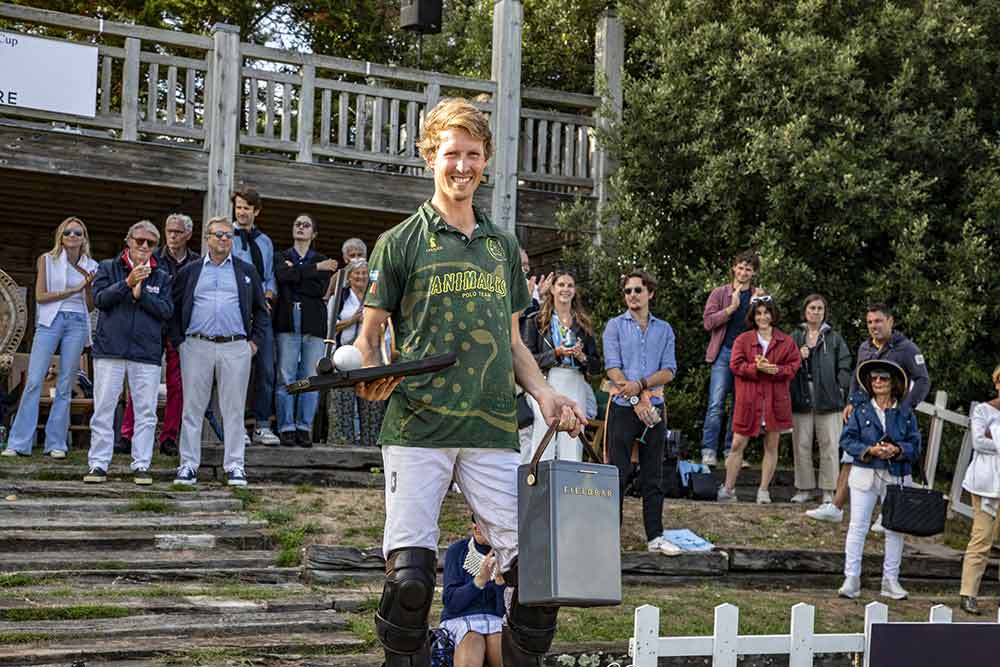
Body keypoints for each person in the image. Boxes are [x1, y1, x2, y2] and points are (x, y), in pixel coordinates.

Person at [353, 98, 586, 666]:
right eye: (451, 153)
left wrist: (545, 393)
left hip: (491, 426)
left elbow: (512, 343)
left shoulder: (501, 246)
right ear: (430, 156)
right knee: (410, 583)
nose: (463, 166)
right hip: (418, 425)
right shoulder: (399, 242)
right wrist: (362, 370)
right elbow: (368, 339)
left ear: (486, 160)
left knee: (540, 575)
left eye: (474, 155)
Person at [806, 303, 931, 523]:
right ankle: (836, 507)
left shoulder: (907, 349)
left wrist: (905, 408)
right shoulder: (865, 347)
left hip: (892, 416)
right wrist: (851, 402)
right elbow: (857, 376)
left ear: (890, 321)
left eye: (879, 321)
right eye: (870, 322)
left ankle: (888, 517)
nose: (874, 326)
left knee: (892, 461)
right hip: (865, 414)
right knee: (851, 457)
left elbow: (923, 380)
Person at [169, 217, 270, 487]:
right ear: (207, 238)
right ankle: (188, 465)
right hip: (196, 345)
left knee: (234, 409)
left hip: (236, 346)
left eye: (228, 235)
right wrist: (179, 342)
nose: (224, 239)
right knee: (192, 408)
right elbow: (173, 308)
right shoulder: (190, 271)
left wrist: (253, 343)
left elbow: (261, 311)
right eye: (218, 235)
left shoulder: (246, 271)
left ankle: (235, 466)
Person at [84, 221, 174, 484]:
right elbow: (100, 300)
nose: (144, 246)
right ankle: (98, 464)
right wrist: (127, 283)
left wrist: (141, 295)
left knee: (146, 412)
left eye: (151, 243)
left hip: (146, 352)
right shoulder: (108, 267)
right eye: (139, 240)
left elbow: (167, 311)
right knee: (104, 408)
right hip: (110, 350)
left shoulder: (162, 276)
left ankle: (142, 464)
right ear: (128, 241)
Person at [2, 217, 98, 458]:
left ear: (84, 238)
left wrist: (87, 287)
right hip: (50, 321)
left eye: (77, 233)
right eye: (67, 232)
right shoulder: (47, 259)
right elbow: (40, 296)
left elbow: (89, 306)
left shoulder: (91, 265)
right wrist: (72, 290)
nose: (72, 236)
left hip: (77, 322)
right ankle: (18, 442)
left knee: (65, 384)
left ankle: (56, 443)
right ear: (61, 237)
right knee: (34, 380)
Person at [603, 270, 680, 556]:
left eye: (638, 290)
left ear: (650, 293)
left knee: (653, 476)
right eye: (628, 291)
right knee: (617, 474)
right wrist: (635, 397)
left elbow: (669, 370)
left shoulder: (665, 329)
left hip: (654, 408)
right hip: (624, 408)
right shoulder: (614, 326)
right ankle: (611, 538)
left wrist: (643, 386)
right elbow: (612, 368)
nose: (632, 295)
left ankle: (655, 536)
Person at [837, 359, 921, 601]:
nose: (878, 382)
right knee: (858, 526)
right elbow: (847, 440)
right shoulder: (861, 410)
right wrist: (869, 450)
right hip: (865, 473)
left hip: (896, 475)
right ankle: (851, 578)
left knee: (895, 529)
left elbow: (915, 444)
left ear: (893, 383)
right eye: (874, 378)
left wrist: (897, 450)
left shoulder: (905, 412)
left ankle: (890, 580)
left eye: (883, 378)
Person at [117, 213, 200, 457]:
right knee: (142, 383)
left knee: (177, 385)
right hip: (153, 325)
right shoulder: (154, 258)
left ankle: (169, 437)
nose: (172, 236)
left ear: (188, 234)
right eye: (169, 231)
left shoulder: (197, 263)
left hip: (181, 328)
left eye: (177, 232)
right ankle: (127, 434)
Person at [717, 296, 800, 504]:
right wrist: (756, 368)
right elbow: (735, 365)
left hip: (775, 400)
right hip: (748, 400)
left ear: (773, 315)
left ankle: (763, 491)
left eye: (766, 313)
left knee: (771, 445)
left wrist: (776, 370)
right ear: (753, 317)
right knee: (737, 444)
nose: (763, 317)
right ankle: (728, 489)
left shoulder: (786, 341)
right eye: (758, 313)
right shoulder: (743, 340)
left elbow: (793, 367)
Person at [521, 270, 601, 463]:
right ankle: (538, 477)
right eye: (561, 285)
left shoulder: (583, 324)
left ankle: (569, 478)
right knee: (543, 433)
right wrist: (556, 353)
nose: (566, 289)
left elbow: (597, 366)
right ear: (552, 289)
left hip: (575, 381)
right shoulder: (536, 320)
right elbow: (528, 359)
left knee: (574, 434)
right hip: (546, 380)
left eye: (570, 285)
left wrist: (581, 357)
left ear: (575, 291)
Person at [273, 214, 338, 447]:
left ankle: (304, 427)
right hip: (287, 322)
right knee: (285, 376)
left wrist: (298, 274)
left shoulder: (322, 259)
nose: (300, 227)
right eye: (297, 224)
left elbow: (318, 289)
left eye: (306, 225)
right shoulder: (281, 257)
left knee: (310, 378)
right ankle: (286, 427)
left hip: (313, 324)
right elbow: (282, 276)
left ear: (314, 233)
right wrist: (315, 269)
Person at [699, 251, 766, 467]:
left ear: (753, 273)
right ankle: (708, 451)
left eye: (748, 269)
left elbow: (766, 327)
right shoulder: (720, 293)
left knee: (740, 405)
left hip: (747, 358)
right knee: (716, 404)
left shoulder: (759, 295)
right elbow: (708, 323)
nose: (743, 272)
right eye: (741, 267)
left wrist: (759, 306)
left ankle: (732, 451)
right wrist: (731, 308)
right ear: (734, 268)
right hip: (724, 353)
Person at [789, 294, 852, 504]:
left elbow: (845, 365)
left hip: (829, 398)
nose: (816, 312)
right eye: (812, 308)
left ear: (825, 312)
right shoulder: (795, 336)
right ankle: (804, 489)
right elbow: (784, 362)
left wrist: (839, 389)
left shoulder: (834, 338)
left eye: (820, 308)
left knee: (830, 445)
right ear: (805, 311)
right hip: (801, 394)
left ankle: (828, 490)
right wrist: (797, 356)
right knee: (801, 444)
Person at [230, 187, 280, 447]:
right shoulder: (226, 236)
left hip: (261, 312)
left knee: (266, 369)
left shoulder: (265, 241)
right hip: (235, 312)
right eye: (238, 207)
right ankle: (236, 425)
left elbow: (269, 276)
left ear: (256, 211)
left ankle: (262, 425)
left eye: (246, 208)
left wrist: (269, 296)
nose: (241, 212)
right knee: (236, 371)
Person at [327, 258, 387, 446]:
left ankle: (372, 443)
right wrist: (352, 320)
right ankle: (342, 442)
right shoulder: (339, 297)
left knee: (371, 401)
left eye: (364, 273)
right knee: (343, 400)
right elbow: (329, 327)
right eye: (357, 273)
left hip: (370, 355)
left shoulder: (375, 297)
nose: (361, 276)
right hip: (343, 356)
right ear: (349, 276)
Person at [958, 365, 1000, 615]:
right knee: (982, 537)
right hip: (985, 484)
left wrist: (994, 435)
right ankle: (968, 593)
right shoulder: (983, 410)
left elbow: (988, 440)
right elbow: (978, 442)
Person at [440, 520, 507, 667]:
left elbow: (503, 612)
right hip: (460, 620)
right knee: (471, 640)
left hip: (497, 621)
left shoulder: (507, 554)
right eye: (474, 520)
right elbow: (451, 604)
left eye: (482, 520)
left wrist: (500, 584)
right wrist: (479, 581)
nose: (476, 526)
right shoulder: (458, 551)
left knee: (499, 643)